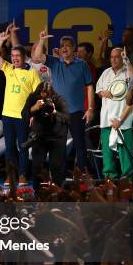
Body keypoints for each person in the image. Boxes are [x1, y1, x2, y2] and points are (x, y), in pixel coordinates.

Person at [33, 30, 95, 171]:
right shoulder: (54, 62)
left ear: (73, 48)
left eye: (67, 45)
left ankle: (82, 177)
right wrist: (42, 40)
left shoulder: (82, 65)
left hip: (76, 113)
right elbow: (37, 57)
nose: (64, 48)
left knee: (80, 145)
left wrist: (90, 108)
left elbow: (90, 86)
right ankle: (57, 176)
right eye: (62, 46)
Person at [0, 27, 41, 185]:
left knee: (23, 147)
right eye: (12, 56)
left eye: (17, 56)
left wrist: (33, 114)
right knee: (9, 147)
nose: (14, 59)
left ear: (24, 57)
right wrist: (0, 40)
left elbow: (39, 96)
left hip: (22, 116)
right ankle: (10, 176)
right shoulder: (8, 68)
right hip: (7, 115)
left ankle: (22, 175)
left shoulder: (32, 73)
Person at [95, 48, 133, 179]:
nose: (113, 59)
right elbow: (98, 91)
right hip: (107, 120)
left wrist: (127, 61)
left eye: (117, 57)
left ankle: (127, 181)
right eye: (112, 57)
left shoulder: (128, 72)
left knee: (125, 154)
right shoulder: (106, 72)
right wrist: (103, 93)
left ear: (122, 58)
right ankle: (109, 180)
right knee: (107, 154)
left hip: (124, 121)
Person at [23, 82, 69, 189]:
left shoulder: (59, 99)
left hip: (57, 137)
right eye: (41, 95)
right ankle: (37, 194)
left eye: (46, 96)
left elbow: (67, 118)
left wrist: (55, 112)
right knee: (37, 166)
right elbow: (23, 115)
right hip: (40, 136)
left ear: (51, 94)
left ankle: (58, 193)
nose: (44, 98)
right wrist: (34, 108)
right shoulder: (33, 98)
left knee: (56, 167)